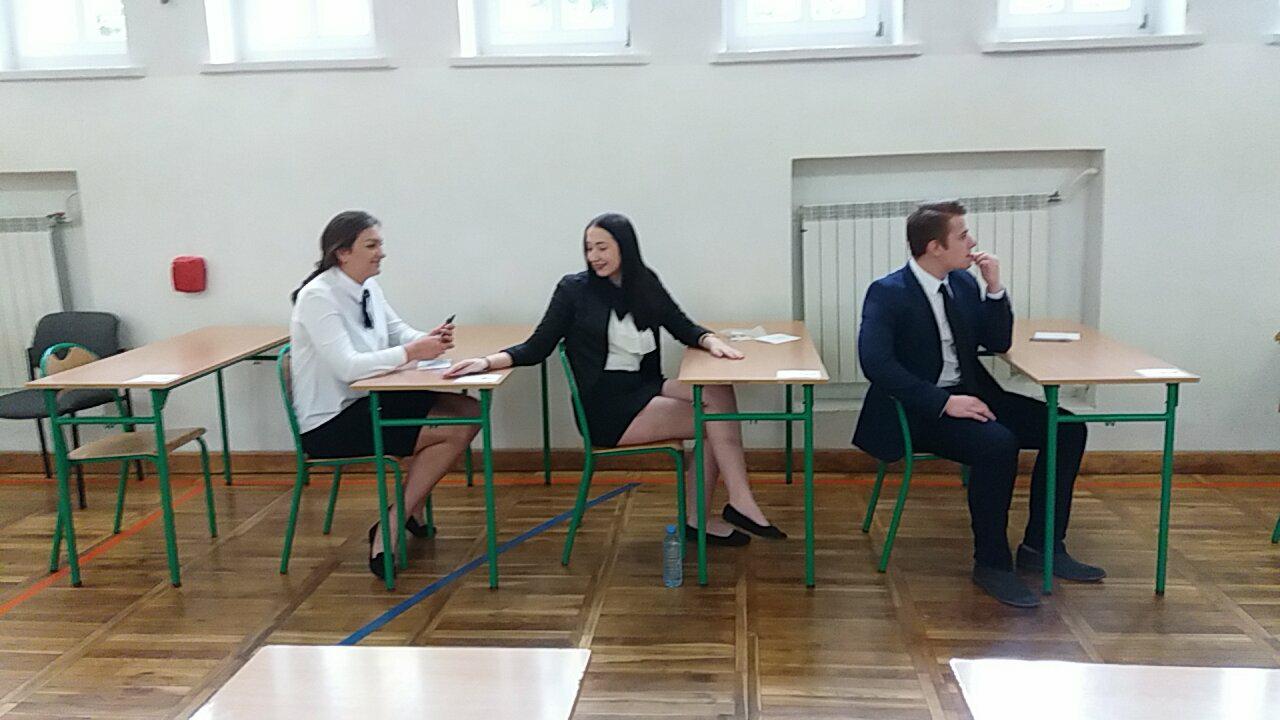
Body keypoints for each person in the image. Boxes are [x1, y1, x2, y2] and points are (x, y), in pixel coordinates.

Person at [446, 212, 783, 544]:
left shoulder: (645, 282)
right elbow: (537, 347)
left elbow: (681, 325)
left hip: (644, 387)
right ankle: (724, 509)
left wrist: (710, 341)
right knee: (715, 421)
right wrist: (485, 362)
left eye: (602, 247)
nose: (594, 256)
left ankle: (728, 506)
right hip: (606, 407)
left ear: (625, 246)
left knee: (718, 392)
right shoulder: (573, 290)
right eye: (588, 248)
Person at [852, 201, 1102, 608]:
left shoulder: (963, 283)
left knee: (1067, 428)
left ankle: (1042, 546)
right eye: (963, 235)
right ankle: (992, 563)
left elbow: (998, 341)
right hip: (919, 409)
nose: (972, 242)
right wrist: (943, 403)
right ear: (935, 247)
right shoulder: (888, 292)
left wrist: (994, 289)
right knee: (997, 444)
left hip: (972, 395)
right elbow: (875, 363)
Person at [290, 210, 479, 579]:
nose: (381, 253)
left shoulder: (367, 287)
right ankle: (394, 521)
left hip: (368, 400)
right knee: (455, 427)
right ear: (343, 252)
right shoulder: (318, 297)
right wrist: (411, 352)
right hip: (332, 421)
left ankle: (409, 508)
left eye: (380, 244)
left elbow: (398, 332)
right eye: (371, 245)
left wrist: (429, 339)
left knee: (469, 410)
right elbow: (348, 367)